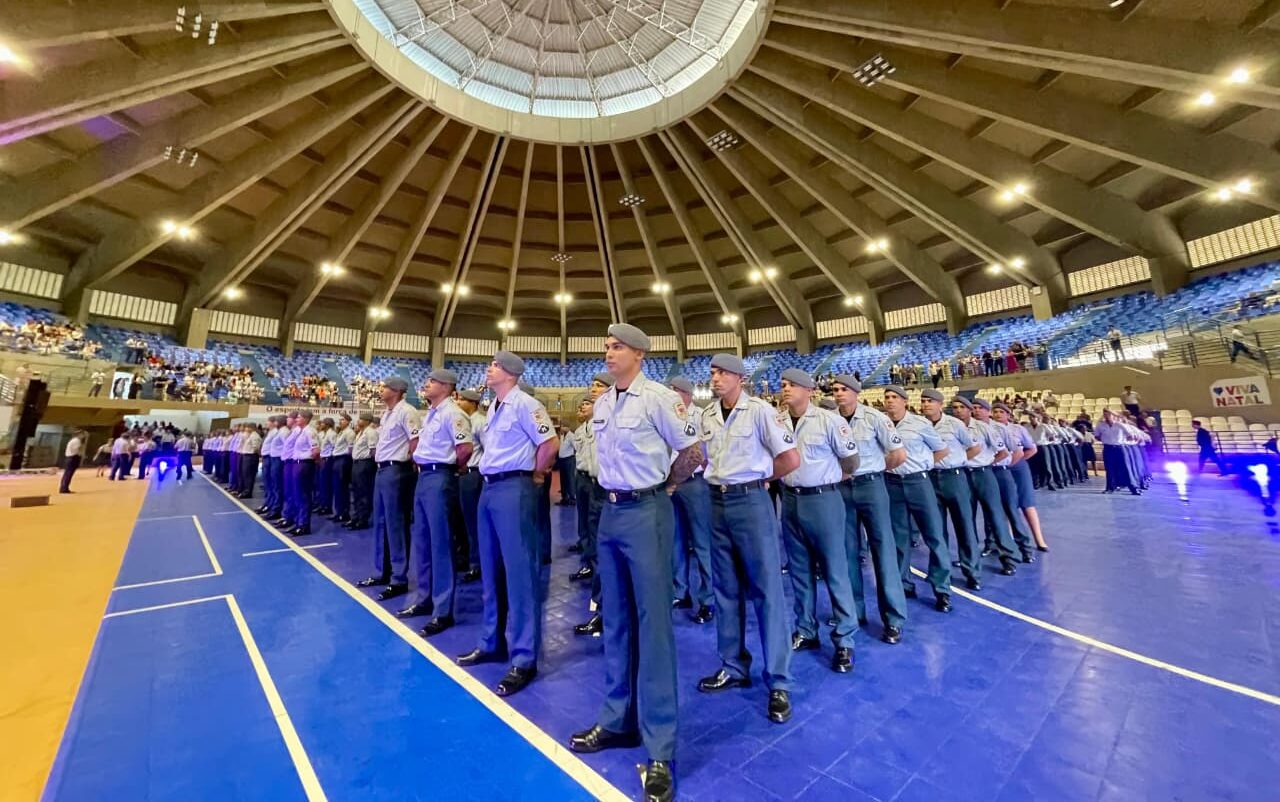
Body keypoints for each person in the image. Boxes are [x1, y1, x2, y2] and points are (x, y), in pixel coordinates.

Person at [567, 324, 702, 802]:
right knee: (617, 621)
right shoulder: (604, 403)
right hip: (611, 512)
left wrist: (663, 487)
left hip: (647, 511)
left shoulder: (661, 399)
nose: (608, 351)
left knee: (655, 626)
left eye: (617, 346)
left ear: (639, 354)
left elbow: (693, 451)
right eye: (605, 344)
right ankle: (616, 719)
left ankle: (661, 744)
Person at [695, 353, 800, 726]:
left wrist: (758, 480)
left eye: (722, 372)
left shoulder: (759, 411)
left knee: (767, 591)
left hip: (751, 501)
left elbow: (790, 458)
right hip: (717, 502)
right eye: (712, 372)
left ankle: (779, 681)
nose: (716, 378)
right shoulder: (707, 415)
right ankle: (733, 664)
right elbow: (705, 457)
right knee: (725, 589)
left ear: (740, 378)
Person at [456, 351, 558, 700]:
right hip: (490, 486)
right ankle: (491, 641)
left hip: (514, 486)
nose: (489, 368)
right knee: (491, 570)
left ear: (511, 373)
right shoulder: (496, 407)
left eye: (496, 365)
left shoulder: (525, 405)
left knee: (519, 574)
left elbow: (549, 443)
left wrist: (538, 474)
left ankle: (524, 656)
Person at [776, 368, 860, 673]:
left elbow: (851, 461)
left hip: (823, 499)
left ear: (809, 390)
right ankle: (807, 630)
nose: (785, 389)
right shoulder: (777, 420)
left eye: (792, 385)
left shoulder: (829, 421)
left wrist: (831, 479)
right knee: (799, 571)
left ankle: (845, 639)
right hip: (790, 499)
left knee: (835, 570)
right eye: (783, 384)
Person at [831, 375, 909, 644]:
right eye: (835, 390)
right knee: (846, 551)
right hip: (842, 488)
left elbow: (899, 454)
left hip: (871, 485)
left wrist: (875, 469)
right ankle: (854, 612)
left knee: (883, 549)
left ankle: (894, 618)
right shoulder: (830, 419)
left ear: (856, 392)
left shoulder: (875, 418)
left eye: (844, 389)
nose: (839, 394)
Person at [400, 369, 473, 638]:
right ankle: (425, 598)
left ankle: (442, 610)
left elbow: (464, 449)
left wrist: (452, 469)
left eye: (431, 381)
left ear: (445, 386)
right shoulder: (431, 414)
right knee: (422, 540)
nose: (426, 384)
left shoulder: (453, 414)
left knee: (441, 544)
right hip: (425, 476)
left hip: (440, 475)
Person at [881, 385, 954, 613]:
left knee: (934, 535)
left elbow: (941, 450)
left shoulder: (920, 424)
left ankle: (942, 589)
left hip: (918, 482)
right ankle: (904, 583)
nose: (890, 401)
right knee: (899, 537)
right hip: (892, 484)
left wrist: (923, 466)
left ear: (904, 401)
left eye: (894, 397)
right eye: (887, 397)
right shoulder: (881, 423)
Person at [358, 379, 418, 598]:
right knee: (381, 522)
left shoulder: (407, 412)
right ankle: (381, 571)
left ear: (396, 391)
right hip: (382, 469)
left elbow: (415, 441)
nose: (380, 390)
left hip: (396, 469)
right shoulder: (387, 414)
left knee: (396, 524)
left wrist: (408, 465)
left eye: (384, 387)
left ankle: (399, 577)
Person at [918, 390, 983, 590]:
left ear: (940, 404)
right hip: (930, 478)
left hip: (954, 477)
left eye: (930, 401)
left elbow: (975, 447)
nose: (926, 405)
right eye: (923, 401)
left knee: (964, 525)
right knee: (936, 530)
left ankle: (972, 571)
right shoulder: (919, 425)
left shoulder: (954, 424)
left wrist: (959, 462)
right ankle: (940, 576)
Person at [570, 373, 615, 637]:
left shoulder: (613, 417)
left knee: (606, 553)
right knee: (598, 550)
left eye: (600, 386)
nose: (593, 389)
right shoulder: (593, 422)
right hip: (593, 485)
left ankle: (606, 611)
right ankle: (601, 608)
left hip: (610, 490)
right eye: (594, 385)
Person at [668, 376, 714, 625]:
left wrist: (677, 478)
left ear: (685, 394)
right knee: (676, 541)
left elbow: (701, 455)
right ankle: (680, 591)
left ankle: (708, 599)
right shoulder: (669, 416)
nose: (671, 395)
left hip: (694, 484)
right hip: (672, 485)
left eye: (675, 391)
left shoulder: (701, 417)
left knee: (702, 542)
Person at [969, 399, 1034, 566]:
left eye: (980, 408)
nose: (976, 411)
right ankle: (990, 545)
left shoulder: (1000, 428)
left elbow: (1017, 452)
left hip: (1000, 472)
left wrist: (1004, 466)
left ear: (988, 411)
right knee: (989, 511)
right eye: (974, 408)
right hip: (984, 473)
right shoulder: (969, 427)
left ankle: (1025, 548)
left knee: (1011, 510)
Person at [992, 403, 1049, 553]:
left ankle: (1039, 540)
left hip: (1018, 468)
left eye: (1001, 412)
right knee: (1007, 506)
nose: (998, 415)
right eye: (995, 412)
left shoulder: (1018, 429)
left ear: (1008, 415)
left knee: (1027, 503)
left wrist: (1016, 461)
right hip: (1000, 469)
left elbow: (1032, 449)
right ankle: (1009, 541)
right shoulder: (990, 429)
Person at [454, 390, 484, 580]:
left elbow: (488, 448)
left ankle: (477, 563)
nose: (458, 402)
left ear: (472, 402)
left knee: (473, 521)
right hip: (460, 475)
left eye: (463, 399)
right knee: (461, 520)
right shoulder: (461, 420)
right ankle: (463, 557)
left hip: (474, 473)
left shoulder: (480, 422)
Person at [1096, 409, 1141, 494]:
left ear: (1113, 416)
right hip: (1108, 448)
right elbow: (1097, 436)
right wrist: (1105, 439)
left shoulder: (1120, 425)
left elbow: (1131, 435)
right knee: (1109, 468)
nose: (1106, 417)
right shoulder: (1100, 425)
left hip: (1119, 447)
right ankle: (1110, 487)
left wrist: (1124, 439)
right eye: (1105, 415)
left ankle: (1133, 487)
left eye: (1108, 415)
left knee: (1125, 468)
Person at [329, 413, 355, 524]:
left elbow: (351, 449)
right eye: (340, 420)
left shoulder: (349, 432)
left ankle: (344, 513)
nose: (341, 421)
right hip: (337, 459)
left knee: (342, 488)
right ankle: (339, 512)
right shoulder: (341, 432)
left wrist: (347, 461)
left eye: (343, 420)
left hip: (343, 460)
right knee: (337, 488)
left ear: (348, 421)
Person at [237, 423, 261, 500]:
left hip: (251, 456)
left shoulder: (255, 435)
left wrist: (253, 453)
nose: (245, 429)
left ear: (251, 428)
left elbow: (256, 447)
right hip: (247, 455)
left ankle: (248, 492)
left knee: (249, 475)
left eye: (247, 427)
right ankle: (245, 490)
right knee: (245, 474)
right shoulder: (250, 435)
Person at [555, 425, 577, 506]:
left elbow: (576, 446)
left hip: (569, 459)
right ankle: (564, 498)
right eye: (562, 427)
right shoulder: (561, 435)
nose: (562, 428)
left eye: (564, 426)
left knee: (570, 479)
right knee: (563, 479)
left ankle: (572, 498)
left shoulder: (571, 436)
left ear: (568, 427)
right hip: (562, 460)